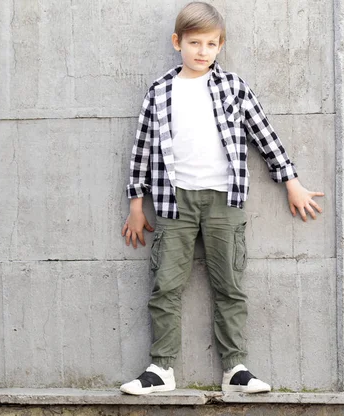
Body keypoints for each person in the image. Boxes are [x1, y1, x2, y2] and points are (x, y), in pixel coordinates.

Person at [119, 1, 324, 395]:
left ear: (220, 46)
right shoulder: (160, 91)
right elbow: (141, 149)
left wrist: (291, 181)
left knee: (229, 284)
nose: (202, 51)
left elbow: (264, 136)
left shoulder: (234, 87)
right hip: (172, 202)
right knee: (166, 286)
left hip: (223, 202)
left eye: (211, 44)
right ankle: (161, 369)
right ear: (177, 42)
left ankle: (235, 368)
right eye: (194, 42)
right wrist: (135, 204)